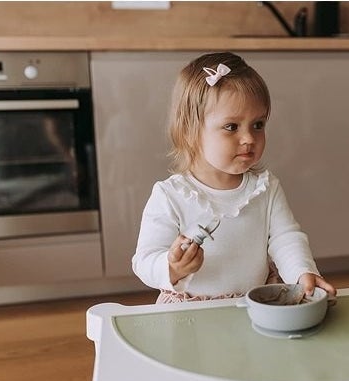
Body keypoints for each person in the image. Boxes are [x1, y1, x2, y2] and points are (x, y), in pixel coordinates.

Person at [132, 52, 337, 303]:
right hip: (190, 313)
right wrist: (172, 268)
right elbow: (144, 260)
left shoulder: (266, 188)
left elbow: (286, 238)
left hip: (255, 305)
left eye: (258, 125)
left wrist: (302, 272)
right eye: (231, 127)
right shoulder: (170, 196)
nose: (249, 138)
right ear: (191, 131)